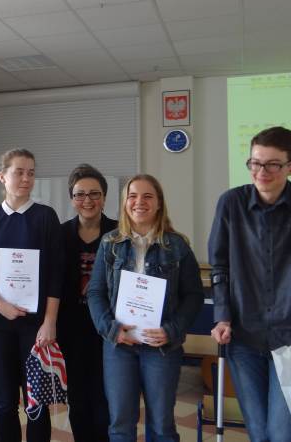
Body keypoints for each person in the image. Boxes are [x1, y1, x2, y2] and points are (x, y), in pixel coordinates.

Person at [208, 126, 291, 442]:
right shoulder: (231, 203)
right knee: (258, 430)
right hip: (242, 335)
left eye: (272, 164)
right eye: (255, 163)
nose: (261, 172)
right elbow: (220, 267)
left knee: (282, 432)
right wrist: (222, 316)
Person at [86, 174, 203, 442]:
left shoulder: (177, 246)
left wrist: (171, 330)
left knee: (162, 426)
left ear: (159, 203)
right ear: (125, 202)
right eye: (133, 196)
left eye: (148, 196)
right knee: (120, 425)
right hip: (119, 347)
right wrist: (111, 329)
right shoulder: (110, 243)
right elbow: (95, 292)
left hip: (161, 348)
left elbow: (194, 296)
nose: (139, 202)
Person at [0, 148, 63, 442]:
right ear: (2, 176)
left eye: (31, 173)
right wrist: (0, 305)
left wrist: (50, 322)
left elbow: (56, 274)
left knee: (37, 402)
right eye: (19, 172)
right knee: (3, 402)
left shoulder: (45, 217)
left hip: (36, 327)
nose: (26, 178)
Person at [59, 164, 115, 442]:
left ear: (104, 197)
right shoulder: (60, 234)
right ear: (72, 199)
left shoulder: (119, 233)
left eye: (95, 193)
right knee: (78, 398)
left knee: (106, 397)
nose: (88, 200)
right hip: (71, 328)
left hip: (109, 327)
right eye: (80, 194)